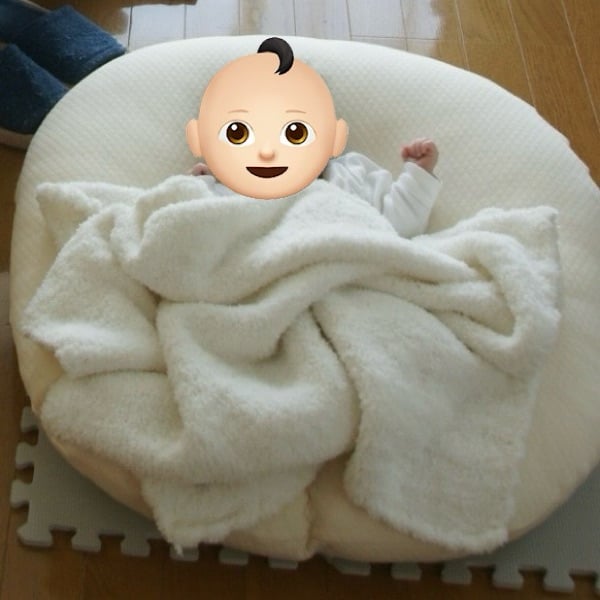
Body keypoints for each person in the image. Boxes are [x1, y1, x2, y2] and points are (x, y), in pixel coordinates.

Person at [186, 37, 440, 237]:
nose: (269, 151)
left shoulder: (351, 175)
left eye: (295, 133)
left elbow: (399, 227)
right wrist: (197, 187)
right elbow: (197, 231)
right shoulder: (230, 189)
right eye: (240, 133)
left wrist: (418, 174)